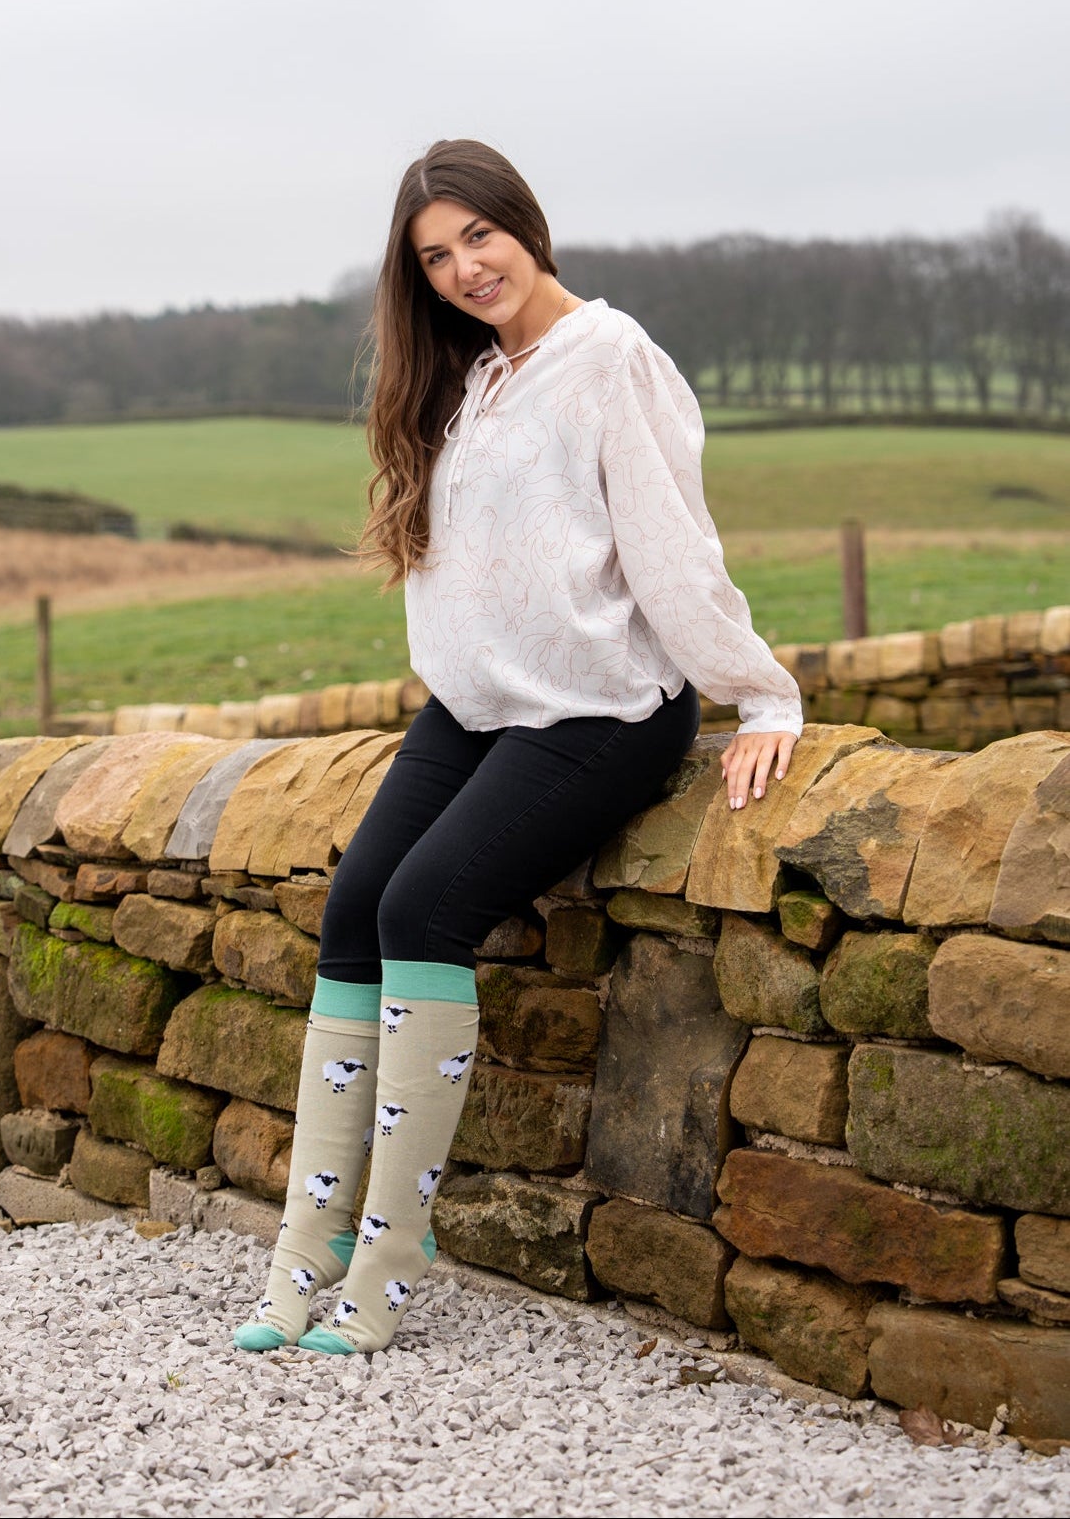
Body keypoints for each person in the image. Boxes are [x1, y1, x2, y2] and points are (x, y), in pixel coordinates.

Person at [233, 139, 802, 1357]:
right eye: (434, 257)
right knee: (352, 908)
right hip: (477, 712)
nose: (463, 269)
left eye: (476, 237)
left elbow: (672, 545)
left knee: (423, 911)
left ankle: (390, 1253)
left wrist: (762, 696)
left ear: (523, 223)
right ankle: (309, 1239)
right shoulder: (478, 376)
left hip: (605, 710)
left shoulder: (610, 358)